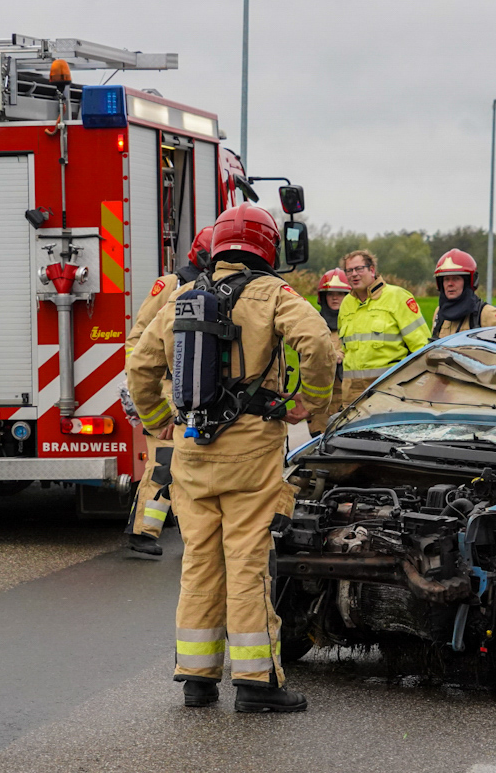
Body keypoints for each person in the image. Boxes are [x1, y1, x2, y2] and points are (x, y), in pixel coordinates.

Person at [127, 202, 334, 713]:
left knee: (199, 560)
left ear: (217, 245)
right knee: (246, 563)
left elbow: (140, 367)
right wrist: (310, 400)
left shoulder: (181, 295)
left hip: (192, 453)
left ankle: (197, 680)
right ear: (267, 247)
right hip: (251, 452)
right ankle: (256, 683)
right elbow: (319, 345)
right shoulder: (274, 294)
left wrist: (158, 423)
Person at [122, 226, 214, 556]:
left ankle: (180, 532)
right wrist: (140, 387)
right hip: (165, 391)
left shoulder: (219, 287)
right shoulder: (172, 284)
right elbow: (142, 336)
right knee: (163, 462)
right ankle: (143, 532)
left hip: (193, 390)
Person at [337, 250, 430, 405]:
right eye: (349, 270)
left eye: (359, 269)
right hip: (352, 394)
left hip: (388, 390)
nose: (354, 274)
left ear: (372, 269)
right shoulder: (346, 304)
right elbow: (346, 348)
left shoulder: (398, 297)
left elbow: (422, 348)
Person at [430, 249, 496, 339]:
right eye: (446, 279)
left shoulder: (486, 313)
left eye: (456, 278)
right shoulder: (439, 313)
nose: (450, 284)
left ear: (468, 282)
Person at [307, 268, 351, 436]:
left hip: (348, 398)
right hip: (320, 402)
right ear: (323, 297)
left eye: (340, 293)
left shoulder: (355, 323)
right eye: (330, 293)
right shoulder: (313, 324)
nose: (334, 297)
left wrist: (340, 355)